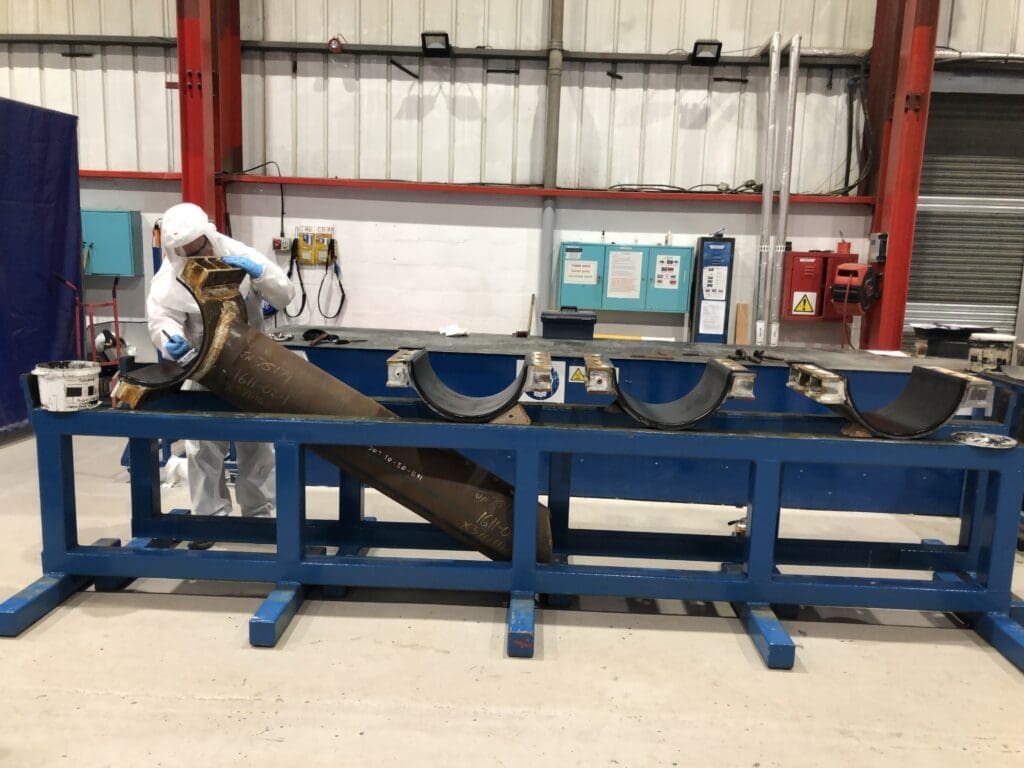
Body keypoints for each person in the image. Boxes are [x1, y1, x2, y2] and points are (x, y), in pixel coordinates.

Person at [147, 203, 294, 548]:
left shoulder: (238, 254)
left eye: (198, 247)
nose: (194, 256)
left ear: (208, 235)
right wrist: (172, 341)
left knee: (256, 444)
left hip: (251, 361)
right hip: (203, 367)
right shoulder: (168, 279)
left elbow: (285, 295)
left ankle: (259, 518)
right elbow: (161, 320)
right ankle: (208, 520)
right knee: (202, 447)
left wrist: (260, 273)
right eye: (184, 252)